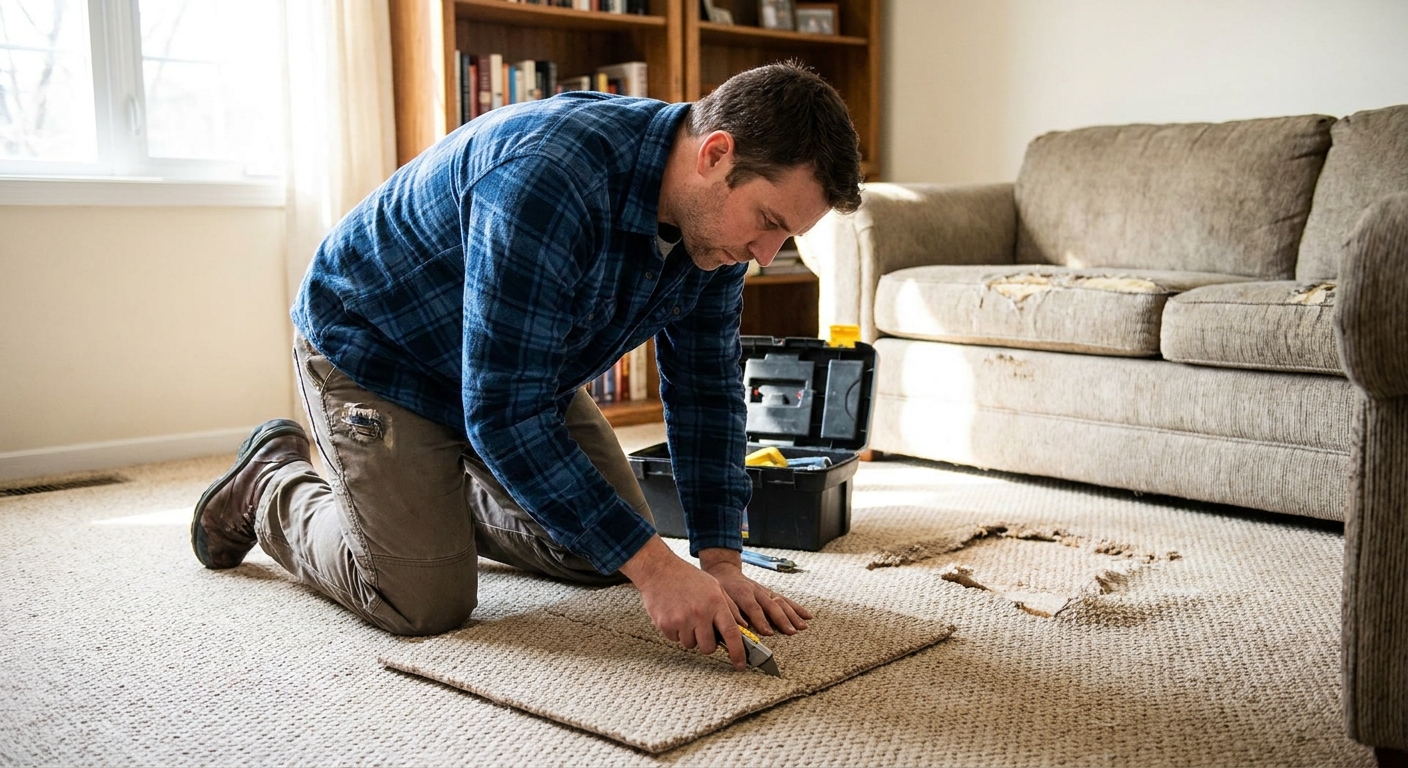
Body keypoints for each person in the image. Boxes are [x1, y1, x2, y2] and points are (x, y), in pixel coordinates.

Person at [189, 61, 863, 670]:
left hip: (516, 369)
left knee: (604, 552)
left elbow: (706, 392)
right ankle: (269, 482)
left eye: (786, 237)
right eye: (768, 221)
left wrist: (719, 559)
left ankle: (424, 495)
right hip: (377, 349)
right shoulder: (550, 174)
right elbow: (505, 412)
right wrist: (659, 571)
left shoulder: (716, 233)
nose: (765, 254)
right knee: (422, 599)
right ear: (717, 156)